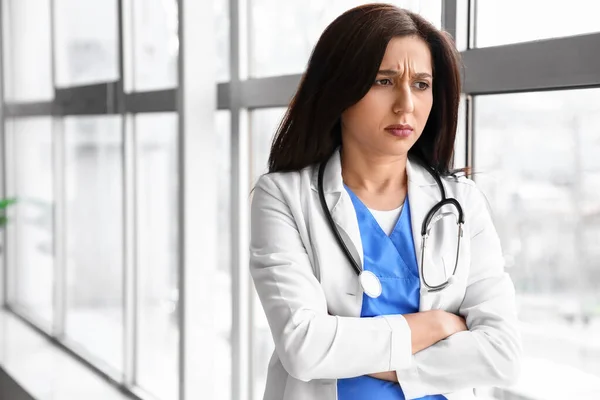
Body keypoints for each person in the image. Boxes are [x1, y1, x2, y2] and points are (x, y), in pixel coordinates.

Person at [249, 4, 522, 400]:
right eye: (384, 81)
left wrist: (351, 349)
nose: (406, 105)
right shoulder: (283, 197)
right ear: (339, 88)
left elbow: (502, 355)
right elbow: (303, 347)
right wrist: (436, 326)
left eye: (422, 85)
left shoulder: (461, 203)